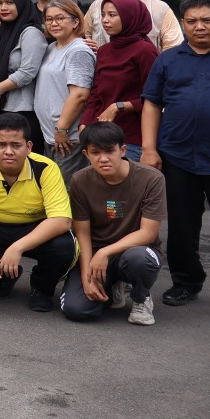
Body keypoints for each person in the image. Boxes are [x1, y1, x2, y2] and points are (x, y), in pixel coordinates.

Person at [141, 0, 210, 307]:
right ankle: (186, 282)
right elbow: (152, 104)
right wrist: (149, 149)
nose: (199, 26)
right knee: (181, 226)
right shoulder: (167, 60)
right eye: (191, 21)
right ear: (183, 24)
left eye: (206, 20)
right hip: (177, 156)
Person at [0, 112, 78, 311]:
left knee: (64, 245)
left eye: (16, 145)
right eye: (1, 144)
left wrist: (17, 248)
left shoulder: (46, 168)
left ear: (29, 147)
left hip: (34, 227)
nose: (8, 152)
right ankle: (2, 279)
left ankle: (42, 288)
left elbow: (61, 220)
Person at [61, 122, 165, 325]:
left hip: (136, 249)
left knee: (139, 260)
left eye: (109, 151)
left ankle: (141, 297)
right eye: (95, 153)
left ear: (122, 150)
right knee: (77, 310)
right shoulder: (80, 180)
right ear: (86, 154)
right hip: (96, 253)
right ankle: (112, 285)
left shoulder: (151, 178)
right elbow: (82, 233)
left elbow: (148, 233)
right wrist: (87, 276)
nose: (103, 158)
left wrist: (105, 252)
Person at [81, 0, 156, 161]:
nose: (105, 20)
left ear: (130, 17)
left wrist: (120, 106)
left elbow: (156, 97)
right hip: (100, 136)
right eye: (103, 15)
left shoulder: (144, 50)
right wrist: (85, 123)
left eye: (112, 15)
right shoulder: (104, 51)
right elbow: (96, 93)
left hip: (131, 138)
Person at [0, 0, 50, 154]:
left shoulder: (31, 33)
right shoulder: (2, 31)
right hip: (1, 109)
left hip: (24, 111)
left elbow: (28, 72)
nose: (3, 7)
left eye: (10, 2)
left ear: (21, 4)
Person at [39, 0, 95, 164]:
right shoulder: (51, 48)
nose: (53, 23)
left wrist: (61, 129)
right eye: (49, 19)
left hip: (68, 138)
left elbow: (80, 95)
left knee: (67, 182)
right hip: (52, 136)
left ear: (75, 22)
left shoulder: (78, 51)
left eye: (60, 18)